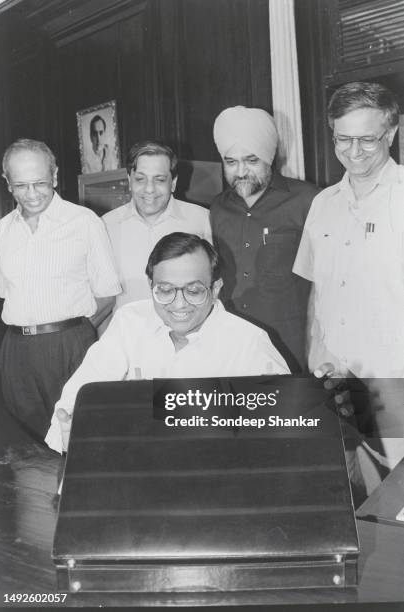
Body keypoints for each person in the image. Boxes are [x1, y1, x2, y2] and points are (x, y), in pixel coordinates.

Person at [45, 232, 290, 453]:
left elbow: (288, 426)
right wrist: (71, 428)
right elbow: (76, 397)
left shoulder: (250, 341)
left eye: (193, 291)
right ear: (151, 286)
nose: (179, 304)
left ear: (216, 289)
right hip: (136, 467)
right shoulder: (129, 322)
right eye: (165, 290)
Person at [293, 81, 404, 478]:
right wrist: (314, 354)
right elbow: (316, 290)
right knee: (356, 490)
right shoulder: (323, 204)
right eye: (343, 140)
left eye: (367, 140)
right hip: (336, 377)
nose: (354, 153)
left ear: (392, 132)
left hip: (394, 380)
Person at [0, 139, 121, 440]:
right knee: (27, 446)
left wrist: (75, 333)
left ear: (54, 176)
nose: (32, 194)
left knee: (75, 437)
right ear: (8, 184)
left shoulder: (84, 221)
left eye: (40, 183)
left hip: (70, 344)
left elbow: (107, 293)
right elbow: (8, 296)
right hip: (17, 353)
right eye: (21, 185)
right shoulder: (1, 230)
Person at [210, 106, 320, 373]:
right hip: (233, 344)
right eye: (231, 162)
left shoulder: (308, 200)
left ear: (269, 157)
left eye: (251, 160)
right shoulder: (217, 208)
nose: (241, 172)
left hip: (290, 346)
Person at [103, 140, 212, 308]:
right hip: (127, 331)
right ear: (129, 180)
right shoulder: (106, 225)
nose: (149, 189)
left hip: (186, 330)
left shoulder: (201, 220)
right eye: (140, 179)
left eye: (159, 180)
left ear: (173, 182)